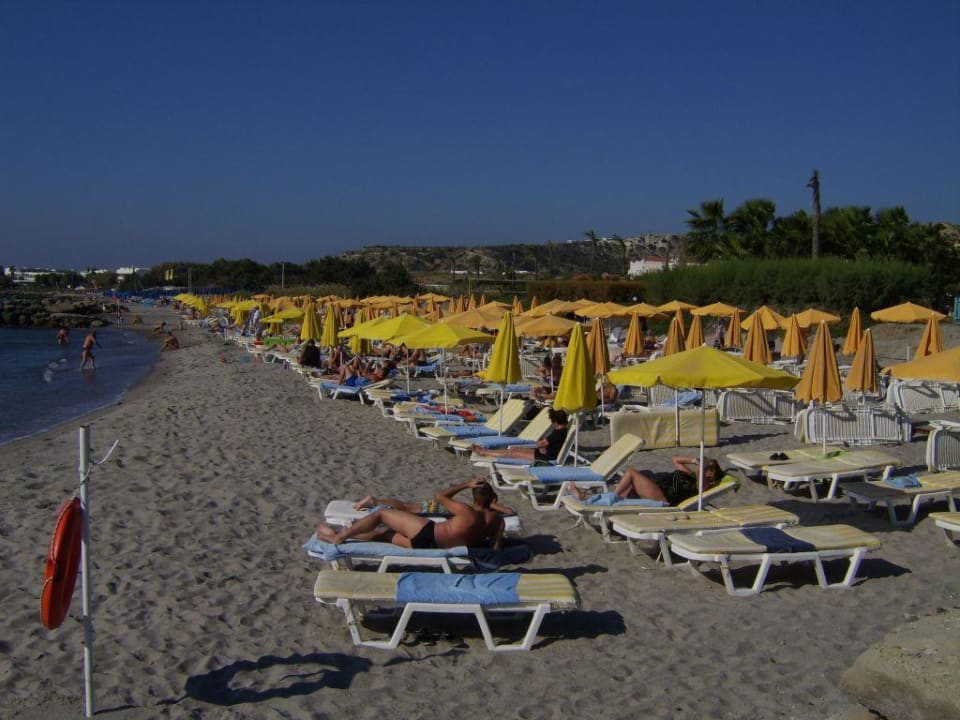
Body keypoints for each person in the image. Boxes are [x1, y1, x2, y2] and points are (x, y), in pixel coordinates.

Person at [316, 479, 505, 550]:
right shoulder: (497, 521)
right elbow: (495, 547)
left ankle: (340, 536)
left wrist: (465, 484)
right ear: (493, 499)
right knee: (385, 535)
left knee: (382, 514)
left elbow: (439, 497)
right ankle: (345, 532)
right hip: (431, 548)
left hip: (427, 535)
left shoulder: (467, 511)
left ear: (474, 499)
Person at [569, 455, 723, 506]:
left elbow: (701, 485)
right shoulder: (691, 475)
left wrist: (702, 468)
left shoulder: (703, 484)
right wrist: (694, 460)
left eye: (707, 466)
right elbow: (676, 460)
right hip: (656, 488)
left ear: (710, 474)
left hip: (664, 498)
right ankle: (589, 497)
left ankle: (588, 498)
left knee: (631, 473)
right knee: (625, 491)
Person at [470, 408, 569, 463]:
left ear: (555, 421)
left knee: (512, 453)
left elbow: (540, 444)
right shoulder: (563, 430)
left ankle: (484, 452)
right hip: (543, 453)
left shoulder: (558, 432)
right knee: (514, 449)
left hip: (544, 457)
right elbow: (547, 444)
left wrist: (541, 442)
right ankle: (486, 451)